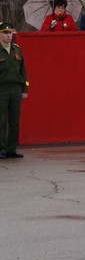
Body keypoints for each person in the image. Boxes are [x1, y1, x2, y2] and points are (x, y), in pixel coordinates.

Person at [0, 22, 28, 159]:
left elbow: (23, 71)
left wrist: (25, 88)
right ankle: (1, 149)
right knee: (1, 120)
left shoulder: (17, 50)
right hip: (2, 89)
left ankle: (11, 149)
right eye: (5, 33)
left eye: (10, 33)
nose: (8, 36)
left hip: (16, 88)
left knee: (14, 120)